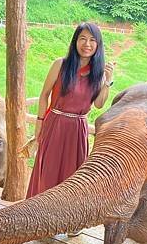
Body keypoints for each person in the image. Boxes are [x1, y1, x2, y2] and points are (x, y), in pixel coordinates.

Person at [26, 22, 115, 209]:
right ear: (75, 41)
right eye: (82, 38)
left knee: (73, 175)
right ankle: (41, 214)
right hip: (55, 123)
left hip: (78, 129)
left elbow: (98, 104)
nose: (87, 44)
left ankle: (69, 217)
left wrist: (108, 82)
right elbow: (44, 96)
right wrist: (39, 125)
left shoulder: (97, 75)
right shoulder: (61, 65)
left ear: (98, 45)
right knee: (48, 171)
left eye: (92, 40)